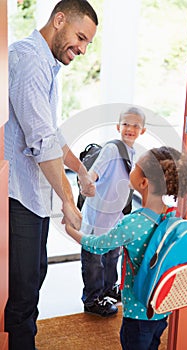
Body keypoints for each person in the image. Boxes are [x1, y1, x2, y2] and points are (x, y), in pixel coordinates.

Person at [4, 1, 98, 349]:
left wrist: (81, 169)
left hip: (32, 194)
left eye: (88, 43)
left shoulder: (46, 65)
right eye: (80, 37)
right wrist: (67, 201)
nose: (83, 49)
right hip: (19, 195)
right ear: (59, 21)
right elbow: (42, 141)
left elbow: (52, 133)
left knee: (35, 275)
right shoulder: (29, 61)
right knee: (23, 292)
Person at [65, 146, 187, 350]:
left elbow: (98, 246)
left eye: (135, 167)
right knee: (153, 344)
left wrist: (71, 230)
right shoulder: (170, 217)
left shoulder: (133, 223)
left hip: (137, 312)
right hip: (161, 308)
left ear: (143, 182)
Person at [80, 106, 146, 317]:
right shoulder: (112, 149)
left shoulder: (133, 152)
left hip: (115, 216)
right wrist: (88, 182)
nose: (130, 129)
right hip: (97, 216)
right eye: (126, 124)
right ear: (118, 127)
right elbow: (95, 171)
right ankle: (92, 299)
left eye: (136, 125)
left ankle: (109, 289)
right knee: (94, 260)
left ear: (142, 131)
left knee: (112, 255)